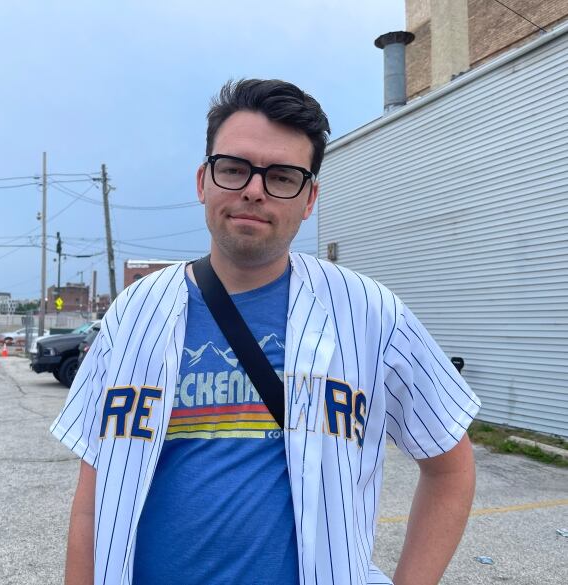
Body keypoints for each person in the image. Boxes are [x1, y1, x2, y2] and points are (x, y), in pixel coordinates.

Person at [51, 79, 480, 585]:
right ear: (203, 181)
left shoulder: (370, 314)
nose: (253, 189)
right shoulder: (135, 313)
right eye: (234, 169)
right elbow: (93, 496)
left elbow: (450, 468)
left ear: (310, 197)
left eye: (281, 176)